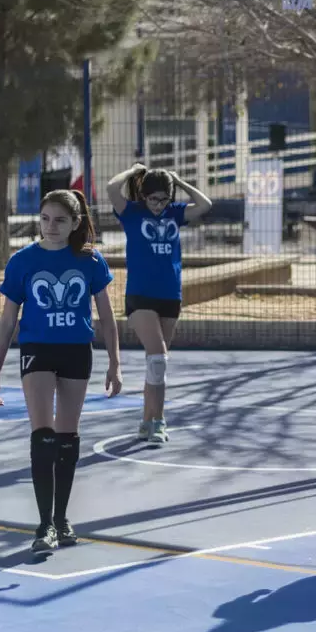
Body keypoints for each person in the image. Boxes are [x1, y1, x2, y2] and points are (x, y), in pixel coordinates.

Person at [0, 190, 121, 554]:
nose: (51, 226)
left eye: (60, 220)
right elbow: (7, 321)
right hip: (37, 350)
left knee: (67, 437)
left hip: (77, 351)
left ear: (76, 223)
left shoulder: (91, 262)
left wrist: (115, 362)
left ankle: (62, 519)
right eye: (45, 218)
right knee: (43, 435)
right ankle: (44, 524)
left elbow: (107, 319)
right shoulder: (22, 261)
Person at [107, 163, 212, 444]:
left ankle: (146, 420)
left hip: (170, 296)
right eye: (153, 199)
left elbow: (205, 203)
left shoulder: (175, 214)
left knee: (157, 365)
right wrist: (131, 171)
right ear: (144, 196)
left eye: (164, 199)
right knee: (157, 356)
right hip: (140, 296)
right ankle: (159, 421)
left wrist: (180, 182)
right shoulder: (131, 212)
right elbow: (110, 188)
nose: (158, 204)